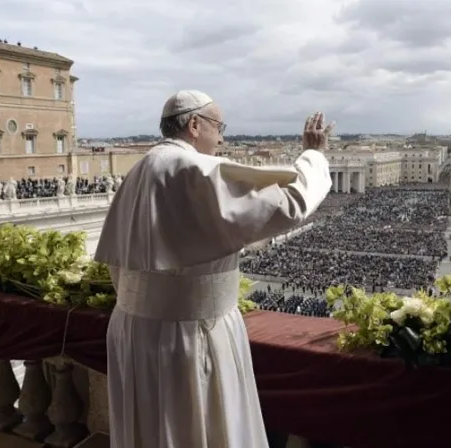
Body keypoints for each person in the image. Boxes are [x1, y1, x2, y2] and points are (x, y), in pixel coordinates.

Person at [94, 90, 334, 448]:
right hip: (189, 336)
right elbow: (289, 204)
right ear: (194, 125)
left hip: (133, 329)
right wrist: (313, 155)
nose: (222, 138)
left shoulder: (140, 169)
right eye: (219, 127)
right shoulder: (190, 169)